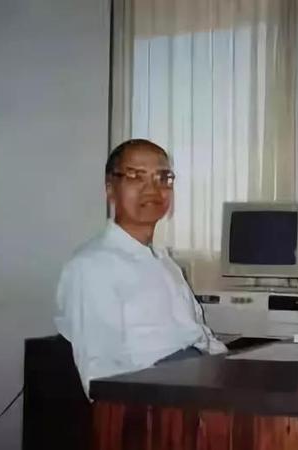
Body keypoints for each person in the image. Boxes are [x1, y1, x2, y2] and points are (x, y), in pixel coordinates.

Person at [54, 139, 226, 397]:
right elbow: (101, 374)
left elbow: (201, 336)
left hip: (200, 373)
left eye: (163, 178)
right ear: (110, 189)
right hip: (156, 395)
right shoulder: (91, 266)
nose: (153, 189)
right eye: (136, 176)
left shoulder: (165, 262)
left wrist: (230, 367)